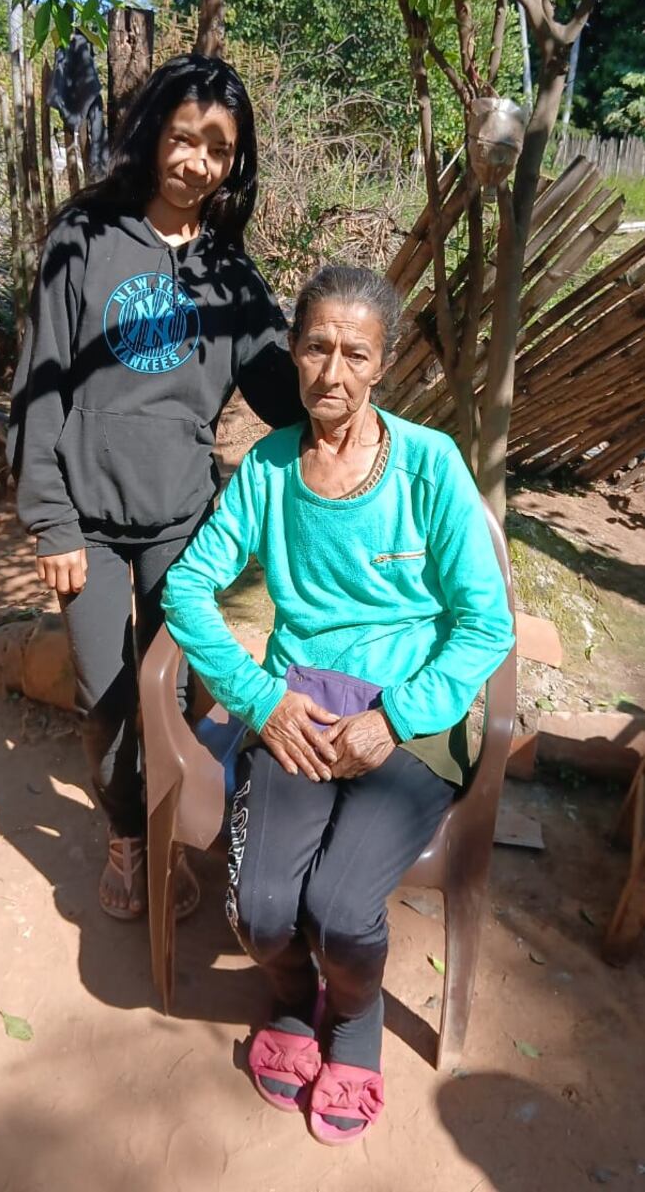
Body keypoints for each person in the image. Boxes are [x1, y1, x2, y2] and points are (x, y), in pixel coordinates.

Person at [162, 264, 514, 1144]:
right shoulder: (270, 467)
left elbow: (485, 624)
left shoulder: (429, 466)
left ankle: (355, 1021)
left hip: (410, 716)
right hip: (299, 709)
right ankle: (293, 996)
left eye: (356, 353)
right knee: (261, 908)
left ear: (383, 364)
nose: (333, 371)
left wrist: (393, 718)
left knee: (343, 907)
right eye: (317, 346)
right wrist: (262, 700)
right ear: (292, 350)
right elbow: (188, 588)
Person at [7, 53, 302, 923]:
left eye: (219, 148)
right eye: (184, 137)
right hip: (89, 525)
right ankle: (127, 836)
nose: (198, 161)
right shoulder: (85, 237)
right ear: (153, 134)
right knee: (104, 697)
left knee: (168, 691)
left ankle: (169, 831)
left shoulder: (228, 275)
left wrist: (340, 380)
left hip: (183, 523)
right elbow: (40, 383)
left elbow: (281, 392)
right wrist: (51, 521)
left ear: (234, 161)